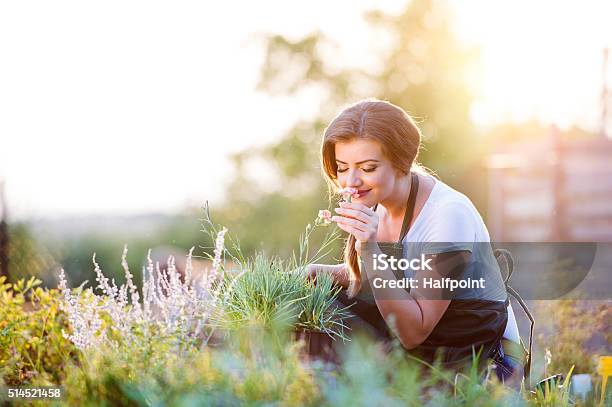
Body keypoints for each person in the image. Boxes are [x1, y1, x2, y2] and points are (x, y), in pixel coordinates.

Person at [308, 98, 525, 385]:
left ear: (402, 162)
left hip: (479, 361)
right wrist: (314, 273)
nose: (351, 181)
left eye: (368, 167)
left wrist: (370, 249)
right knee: (313, 308)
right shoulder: (376, 198)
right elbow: (391, 277)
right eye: (342, 167)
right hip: (428, 342)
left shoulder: (449, 216)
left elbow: (414, 331)